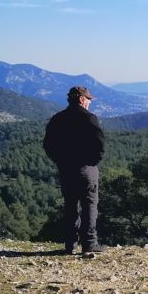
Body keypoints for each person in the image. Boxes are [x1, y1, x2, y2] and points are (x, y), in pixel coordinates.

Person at [43, 86, 105, 254]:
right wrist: (91, 162)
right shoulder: (90, 118)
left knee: (70, 205)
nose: (90, 103)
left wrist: (60, 161)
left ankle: (70, 244)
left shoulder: (58, 119)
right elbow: (100, 146)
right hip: (86, 169)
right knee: (89, 204)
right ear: (82, 99)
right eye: (89, 100)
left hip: (66, 169)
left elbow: (48, 145)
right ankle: (89, 243)